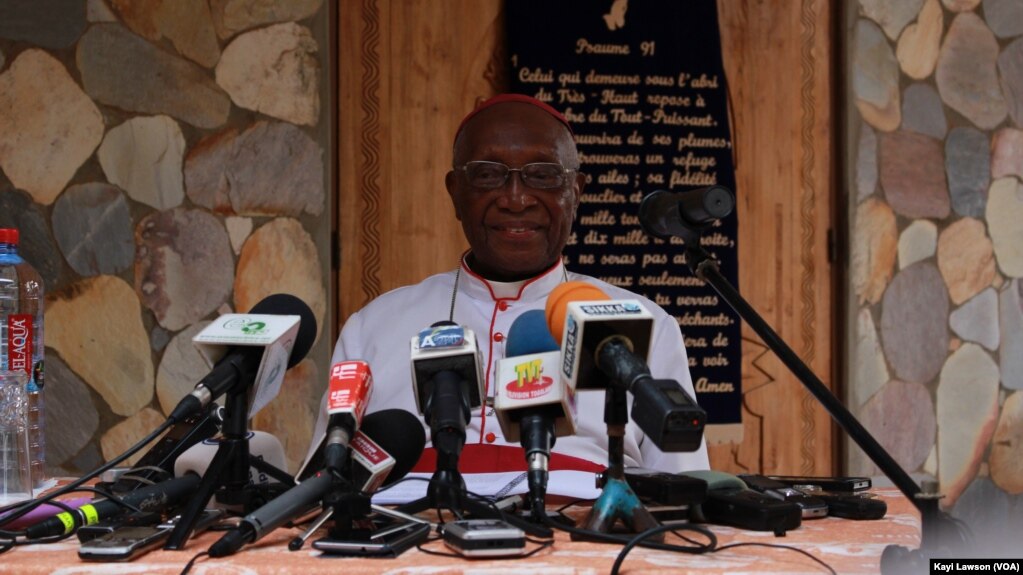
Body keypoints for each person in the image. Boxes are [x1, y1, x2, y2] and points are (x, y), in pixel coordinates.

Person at [303, 93, 709, 481]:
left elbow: (687, 492)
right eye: (487, 175)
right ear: (455, 193)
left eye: (543, 175)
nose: (516, 199)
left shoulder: (644, 325)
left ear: (575, 192)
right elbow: (324, 482)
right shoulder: (373, 326)